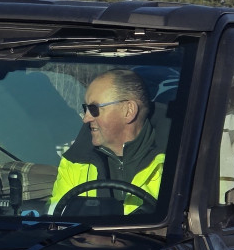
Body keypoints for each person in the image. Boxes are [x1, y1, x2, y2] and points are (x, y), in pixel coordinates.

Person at [49, 69, 163, 214]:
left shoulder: (175, 165)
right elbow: (55, 220)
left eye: (94, 109)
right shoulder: (74, 163)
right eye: (86, 109)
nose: (86, 118)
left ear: (128, 111)